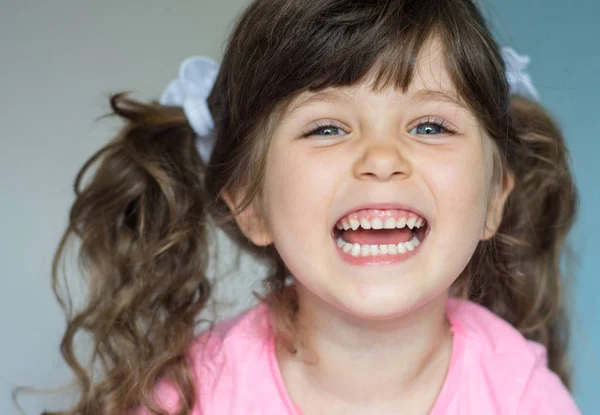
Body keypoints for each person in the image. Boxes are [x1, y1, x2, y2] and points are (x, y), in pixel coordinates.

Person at [46, 0, 581, 413]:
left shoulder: (521, 392)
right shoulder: (195, 395)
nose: (381, 158)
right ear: (250, 204)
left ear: (495, 198)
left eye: (430, 125)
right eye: (326, 128)